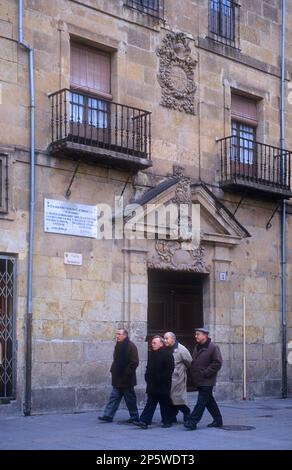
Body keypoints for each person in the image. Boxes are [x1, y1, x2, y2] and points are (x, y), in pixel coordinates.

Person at [185, 327, 223, 431]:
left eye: (198, 334)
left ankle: (192, 422)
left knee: (201, 402)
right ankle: (218, 420)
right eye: (195, 334)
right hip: (199, 379)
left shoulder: (213, 347)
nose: (195, 336)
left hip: (207, 380)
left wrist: (205, 373)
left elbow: (217, 363)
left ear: (205, 335)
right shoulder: (198, 346)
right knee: (209, 401)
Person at [98, 328, 139, 423]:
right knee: (114, 397)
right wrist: (113, 370)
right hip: (117, 378)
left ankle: (134, 416)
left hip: (127, 379)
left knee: (130, 399)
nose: (117, 336)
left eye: (119, 334)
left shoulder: (131, 346)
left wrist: (127, 373)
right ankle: (108, 415)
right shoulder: (118, 346)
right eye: (116, 334)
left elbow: (134, 362)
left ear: (125, 335)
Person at [133, 335, 174, 429]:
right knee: (151, 403)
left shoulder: (167, 354)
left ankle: (167, 421)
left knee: (164, 403)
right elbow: (149, 367)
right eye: (152, 343)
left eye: (154, 343)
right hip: (153, 384)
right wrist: (147, 377)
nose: (152, 344)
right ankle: (144, 421)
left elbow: (169, 370)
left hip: (163, 384)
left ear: (161, 344)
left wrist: (160, 379)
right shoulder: (152, 353)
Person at [164, 331, 192, 423]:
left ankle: (186, 411)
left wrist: (179, 371)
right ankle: (172, 416)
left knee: (177, 398)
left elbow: (189, 362)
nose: (165, 340)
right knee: (170, 398)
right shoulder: (166, 348)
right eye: (164, 338)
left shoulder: (181, 349)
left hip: (178, 379)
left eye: (167, 338)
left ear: (173, 339)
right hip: (168, 378)